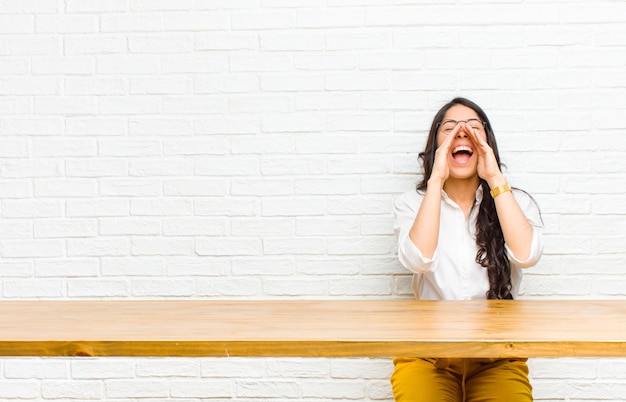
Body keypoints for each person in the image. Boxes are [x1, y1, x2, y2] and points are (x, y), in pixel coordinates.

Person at [391, 97, 544, 401]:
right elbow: (417, 259)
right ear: (436, 146)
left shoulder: (514, 201)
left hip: (497, 357)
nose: (462, 133)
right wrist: (436, 179)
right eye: (450, 129)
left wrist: (495, 178)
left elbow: (527, 256)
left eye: (474, 128)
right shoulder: (411, 203)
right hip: (427, 355)